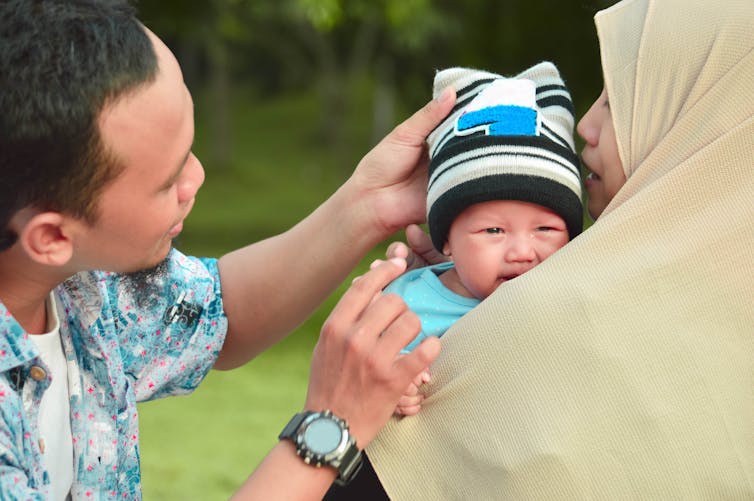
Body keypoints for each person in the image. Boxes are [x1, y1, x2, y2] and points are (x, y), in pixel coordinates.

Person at [0, 0, 456, 499]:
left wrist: (369, 205)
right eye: (167, 181)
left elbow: (221, 312)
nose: (196, 177)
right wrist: (330, 425)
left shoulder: (82, 286)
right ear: (52, 237)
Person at [347, 0, 754, 498]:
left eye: (617, 102)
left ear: (688, 115)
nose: (585, 124)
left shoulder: (564, 312)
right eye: (493, 230)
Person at [388, 62, 582, 358]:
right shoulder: (410, 306)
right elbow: (366, 370)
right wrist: (399, 381)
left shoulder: (576, 300)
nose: (521, 252)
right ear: (447, 241)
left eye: (544, 229)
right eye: (494, 230)